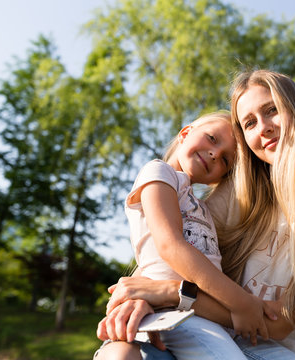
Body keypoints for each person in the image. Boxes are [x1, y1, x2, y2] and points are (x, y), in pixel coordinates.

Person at [97, 70, 295, 360]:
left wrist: (170, 293)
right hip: (213, 335)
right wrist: (144, 297)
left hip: (284, 352)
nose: (264, 127)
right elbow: (174, 248)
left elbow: (279, 323)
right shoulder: (236, 196)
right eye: (250, 123)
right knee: (119, 353)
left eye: (272, 110)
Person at [95, 111, 278, 360]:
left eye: (225, 160)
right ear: (185, 133)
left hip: (201, 314)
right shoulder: (158, 172)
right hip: (172, 314)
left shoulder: (202, 208)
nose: (215, 154)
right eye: (212, 138)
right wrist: (241, 302)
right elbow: (170, 246)